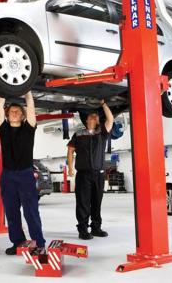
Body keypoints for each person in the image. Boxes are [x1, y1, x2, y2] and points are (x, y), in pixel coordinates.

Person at [0, 92, 46, 256]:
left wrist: (28, 94)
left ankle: (39, 243)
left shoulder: (28, 129)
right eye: (11, 111)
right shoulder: (3, 129)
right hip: (8, 176)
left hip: (25, 175)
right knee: (11, 212)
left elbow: (31, 109)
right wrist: (1, 91)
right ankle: (17, 241)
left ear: (23, 115)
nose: (15, 113)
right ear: (7, 115)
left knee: (31, 211)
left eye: (18, 111)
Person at [67, 100, 114, 240]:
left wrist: (104, 104)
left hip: (99, 174)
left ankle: (96, 228)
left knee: (96, 202)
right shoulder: (78, 134)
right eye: (91, 116)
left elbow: (110, 119)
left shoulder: (102, 133)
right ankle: (83, 229)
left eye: (96, 116)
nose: (94, 118)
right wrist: (70, 167)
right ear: (86, 119)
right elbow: (70, 151)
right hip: (83, 174)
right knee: (83, 202)